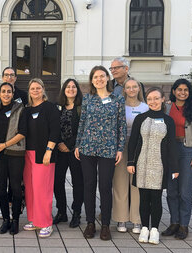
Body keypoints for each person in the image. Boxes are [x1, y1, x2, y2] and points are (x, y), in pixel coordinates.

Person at [74, 66, 126, 241]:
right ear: (92, 80)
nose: (99, 79)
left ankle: (105, 225)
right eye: (95, 77)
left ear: (107, 78)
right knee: (89, 186)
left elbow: (121, 126)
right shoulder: (88, 98)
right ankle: (90, 223)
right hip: (88, 147)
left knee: (105, 187)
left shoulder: (117, 98)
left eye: (102, 76)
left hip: (108, 149)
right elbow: (82, 123)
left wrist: (120, 148)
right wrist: (78, 144)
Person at [127, 87, 179, 245]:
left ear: (163, 99)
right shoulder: (141, 118)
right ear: (146, 100)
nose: (153, 102)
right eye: (150, 99)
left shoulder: (168, 120)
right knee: (143, 198)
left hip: (159, 164)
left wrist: (175, 167)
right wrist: (131, 162)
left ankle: (154, 229)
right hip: (142, 163)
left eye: (156, 98)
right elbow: (133, 142)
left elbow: (171, 146)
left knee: (156, 198)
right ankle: (144, 228)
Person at [162, 79, 192, 240]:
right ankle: (174, 222)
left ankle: (183, 225)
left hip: (188, 151)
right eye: (179, 89)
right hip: (170, 152)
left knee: (185, 192)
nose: (182, 92)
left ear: (189, 92)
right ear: (173, 91)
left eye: (185, 90)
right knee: (172, 190)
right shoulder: (166, 107)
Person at [0, 67, 28, 219]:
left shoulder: (22, 97)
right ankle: (6, 210)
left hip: (16, 149)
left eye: (12, 75)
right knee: (1, 186)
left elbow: (23, 126)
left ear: (15, 78)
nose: (9, 77)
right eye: (6, 75)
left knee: (16, 184)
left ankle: (15, 210)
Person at [22, 78, 60, 238]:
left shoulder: (50, 108)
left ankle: (45, 222)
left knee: (42, 189)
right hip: (28, 154)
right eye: (32, 88)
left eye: (38, 88)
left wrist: (48, 150)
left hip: (44, 154)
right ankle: (34, 220)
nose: (35, 91)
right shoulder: (27, 110)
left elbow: (55, 131)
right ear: (29, 91)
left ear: (43, 90)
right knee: (30, 189)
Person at [112, 78, 148, 234]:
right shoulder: (119, 106)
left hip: (140, 148)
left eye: (135, 86)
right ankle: (121, 218)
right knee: (120, 182)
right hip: (121, 147)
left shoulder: (146, 107)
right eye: (128, 87)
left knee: (137, 184)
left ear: (139, 88)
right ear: (124, 90)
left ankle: (137, 220)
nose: (132, 89)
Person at [53, 79, 84, 228]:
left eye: (73, 87)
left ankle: (77, 213)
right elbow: (53, 127)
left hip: (76, 151)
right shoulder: (58, 107)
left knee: (78, 182)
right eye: (68, 87)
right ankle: (61, 212)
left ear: (77, 90)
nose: (70, 89)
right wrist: (59, 143)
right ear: (63, 89)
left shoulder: (81, 108)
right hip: (59, 150)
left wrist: (69, 144)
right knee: (57, 181)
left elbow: (83, 130)